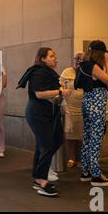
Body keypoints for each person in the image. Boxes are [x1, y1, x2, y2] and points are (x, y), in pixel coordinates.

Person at [18, 48, 71, 197]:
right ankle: (41, 179)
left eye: (55, 56)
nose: (56, 59)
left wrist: (60, 92)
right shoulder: (39, 72)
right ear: (42, 58)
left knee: (55, 140)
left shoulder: (47, 72)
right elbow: (39, 94)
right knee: (46, 145)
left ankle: (38, 176)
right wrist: (61, 92)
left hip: (48, 113)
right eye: (52, 56)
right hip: (37, 113)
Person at [76, 40, 108, 187]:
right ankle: (96, 176)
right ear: (100, 54)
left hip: (87, 103)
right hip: (96, 106)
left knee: (87, 137)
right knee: (96, 139)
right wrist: (107, 65)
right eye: (104, 54)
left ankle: (86, 172)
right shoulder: (94, 66)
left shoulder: (84, 65)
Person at [60, 53, 85, 168]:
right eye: (76, 58)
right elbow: (60, 85)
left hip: (83, 108)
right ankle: (71, 158)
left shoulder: (86, 71)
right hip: (70, 107)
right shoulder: (66, 72)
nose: (78, 61)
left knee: (82, 135)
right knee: (71, 134)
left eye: (81, 59)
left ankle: (80, 159)